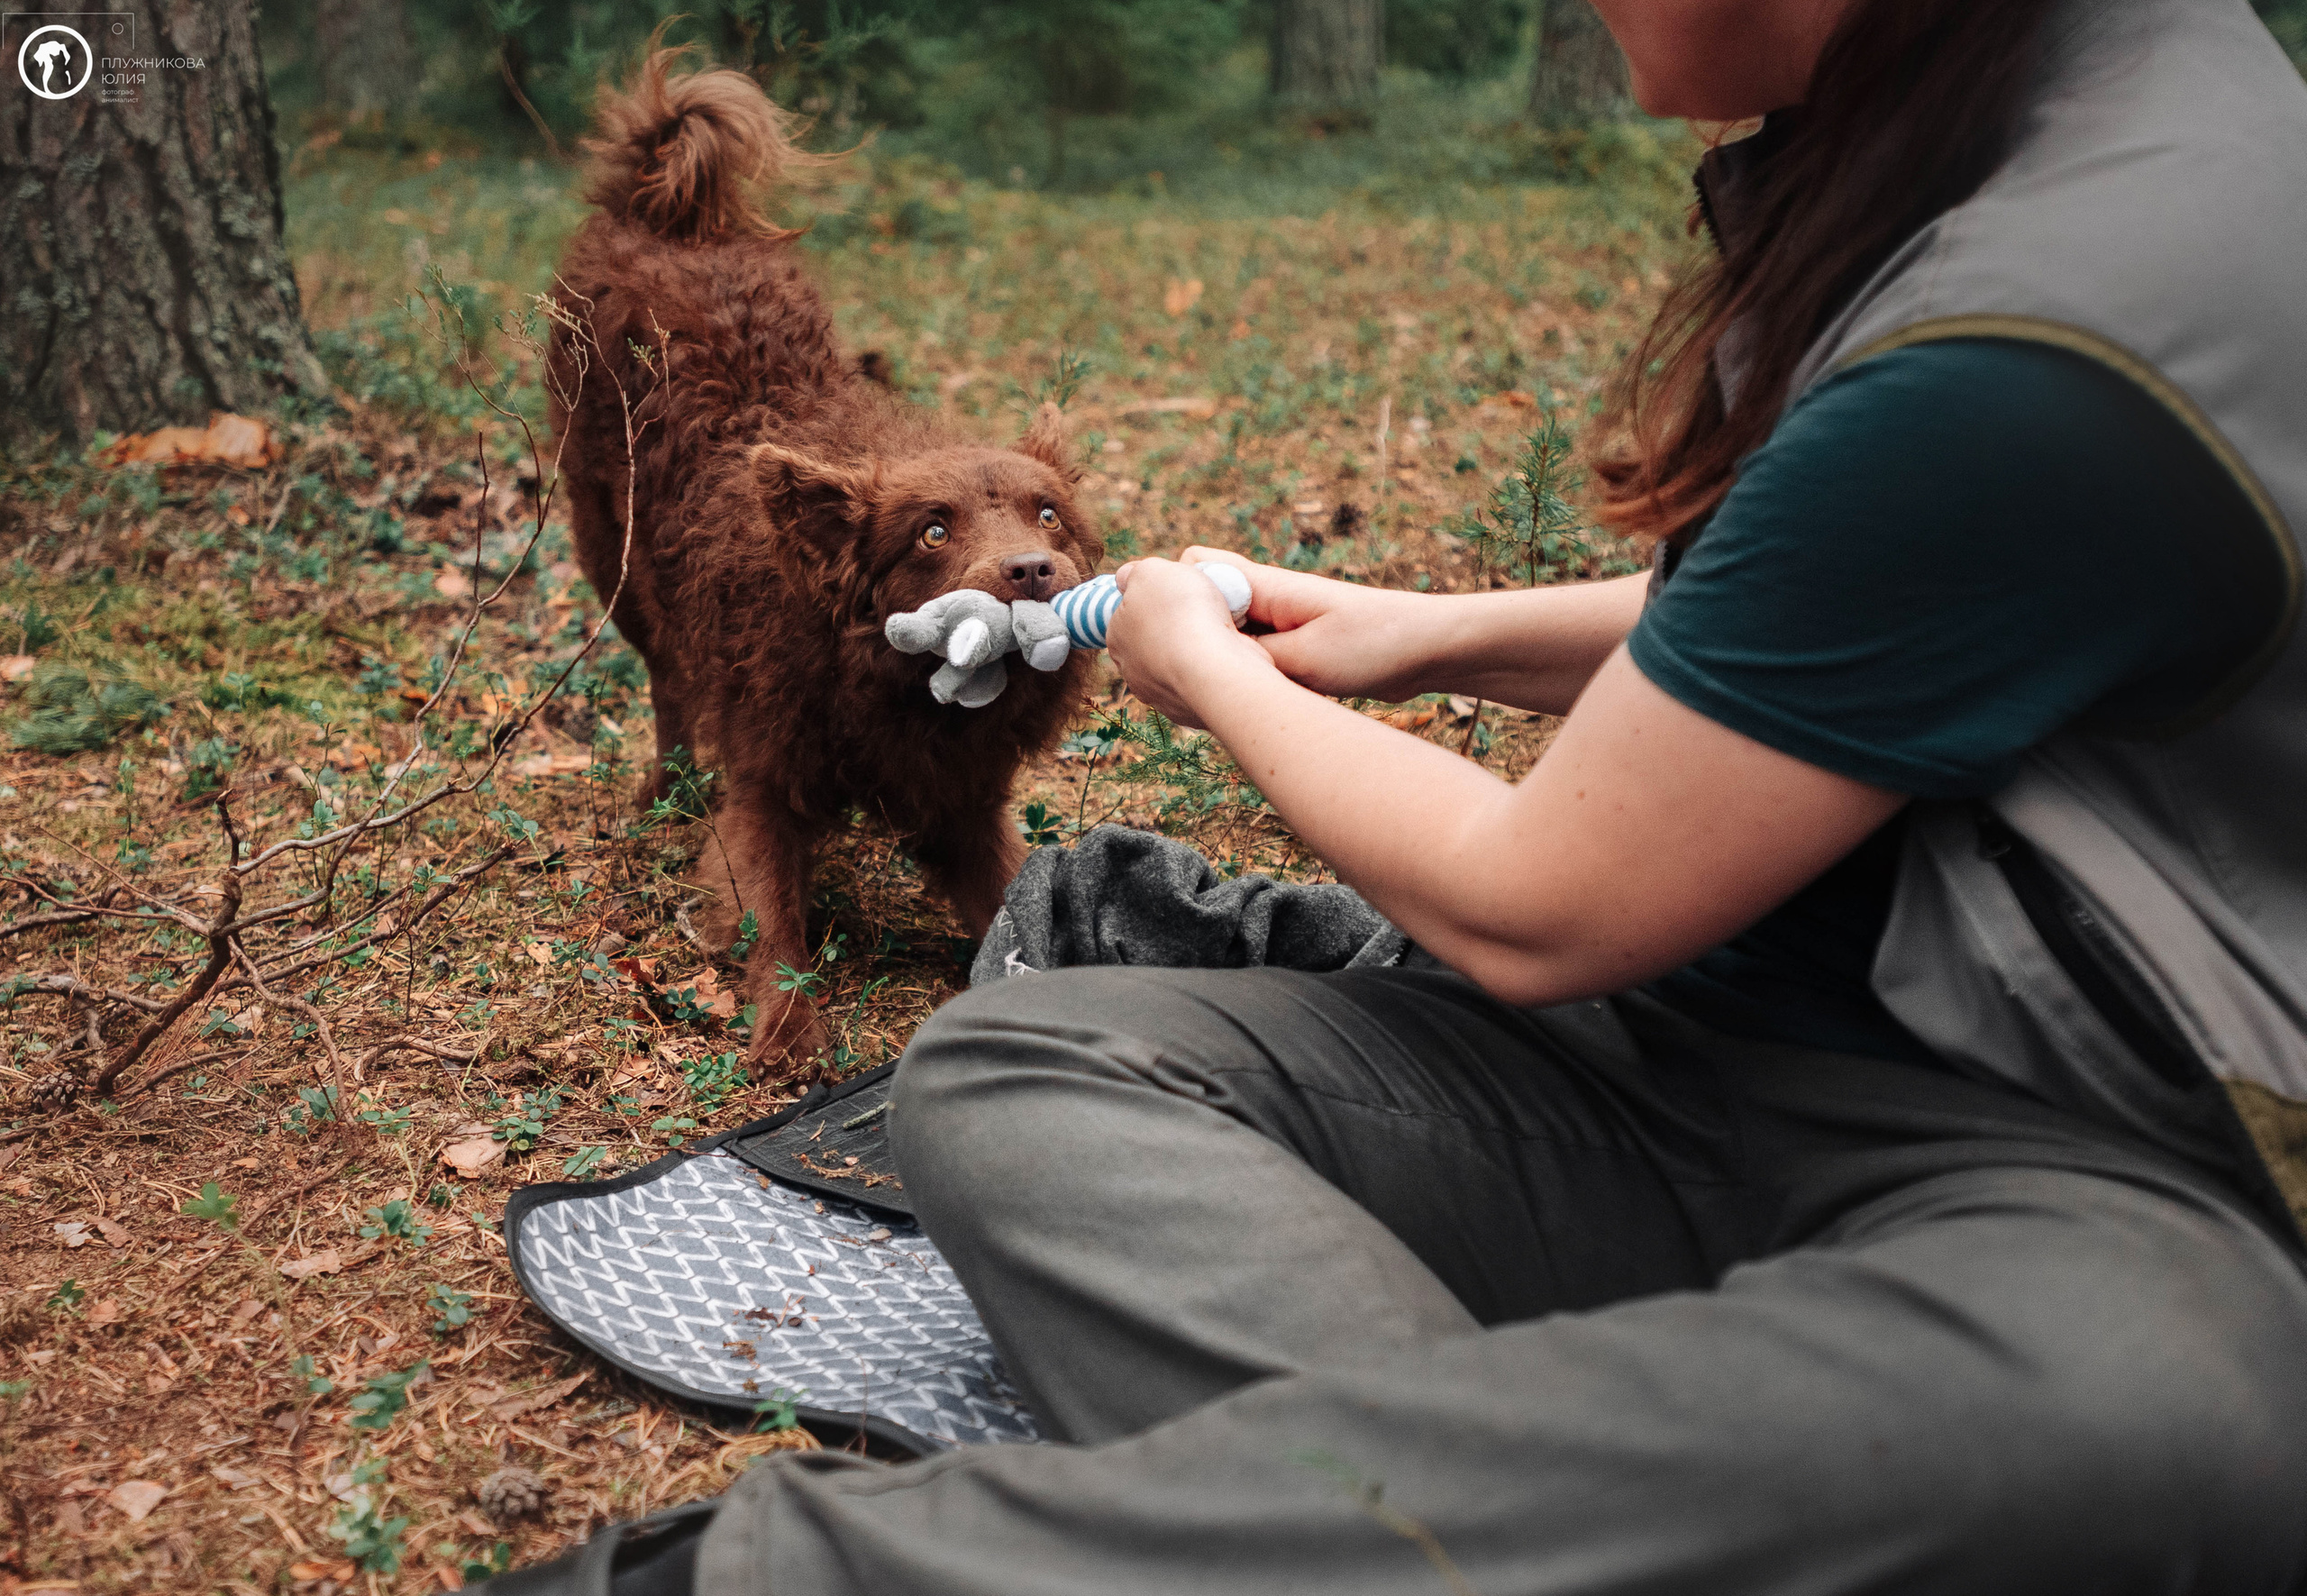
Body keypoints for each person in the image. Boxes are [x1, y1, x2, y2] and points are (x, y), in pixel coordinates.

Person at [487, 0, 2307, 1590]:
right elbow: (1869, 612)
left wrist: (1197, 662)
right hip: (1719, 1057)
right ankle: (1589, 1490)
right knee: (1005, 1064)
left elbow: (1542, 901)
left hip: (2069, 1153)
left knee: (2161, 1406)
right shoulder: (2058, 107)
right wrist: (1418, 636)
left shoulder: (2059, 313)